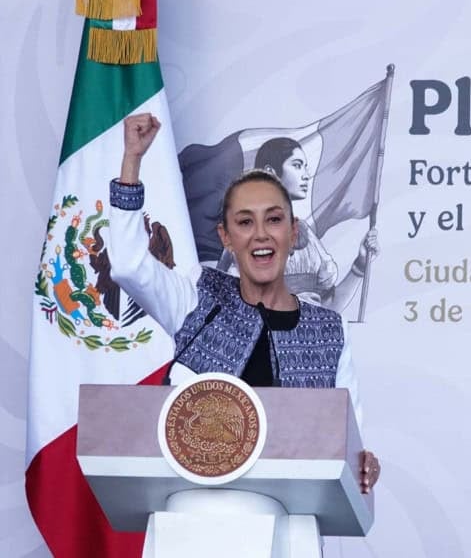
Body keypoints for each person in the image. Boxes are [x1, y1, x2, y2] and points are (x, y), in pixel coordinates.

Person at [108, 113, 380, 493]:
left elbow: (349, 441)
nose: (260, 235)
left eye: (273, 219)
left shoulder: (331, 332)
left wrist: (363, 463)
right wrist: (131, 162)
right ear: (226, 236)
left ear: (293, 231)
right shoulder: (197, 297)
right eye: (245, 222)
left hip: (288, 531)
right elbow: (127, 265)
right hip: (191, 520)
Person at [217, 136, 379, 312]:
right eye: (297, 165)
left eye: (305, 167)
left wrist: (360, 265)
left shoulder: (306, 235)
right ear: (271, 172)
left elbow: (329, 308)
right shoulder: (242, 237)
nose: (306, 175)